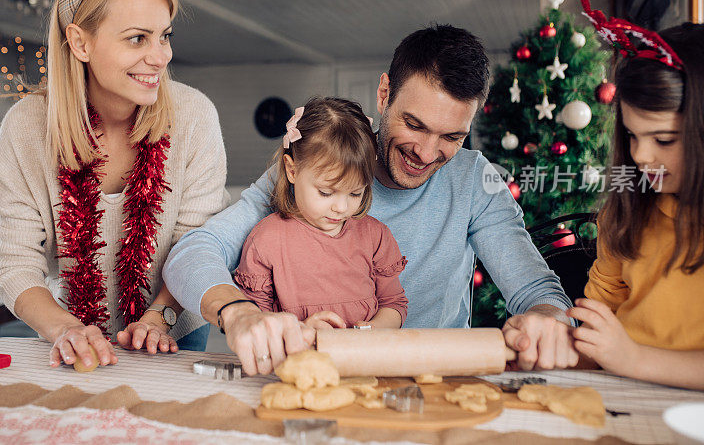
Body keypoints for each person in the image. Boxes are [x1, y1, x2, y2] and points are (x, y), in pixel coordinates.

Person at [164, 23, 577, 375]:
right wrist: (239, 312)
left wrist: (546, 317)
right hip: (321, 374)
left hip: (437, 380)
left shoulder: (475, 180)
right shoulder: (315, 170)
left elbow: (537, 290)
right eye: (414, 125)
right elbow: (193, 252)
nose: (428, 153)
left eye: (452, 137)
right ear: (384, 94)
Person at [0, 0, 229, 368]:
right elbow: (14, 263)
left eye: (164, 35)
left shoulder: (194, 116)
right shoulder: (27, 126)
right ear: (80, 42)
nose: (161, 56)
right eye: (137, 38)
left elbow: (198, 245)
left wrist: (159, 317)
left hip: (174, 329)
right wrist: (64, 328)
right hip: (71, 335)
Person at [567, 0, 704, 390]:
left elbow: (620, 354)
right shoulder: (626, 213)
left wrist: (633, 359)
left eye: (663, 139)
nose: (641, 156)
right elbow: (597, 330)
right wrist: (553, 341)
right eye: (631, 135)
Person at [234, 97, 408, 331]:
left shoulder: (375, 236)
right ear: (292, 169)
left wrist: (367, 334)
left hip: (364, 364)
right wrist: (301, 330)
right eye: (326, 192)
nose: (341, 207)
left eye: (355, 193)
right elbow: (253, 321)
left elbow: (393, 304)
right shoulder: (267, 240)